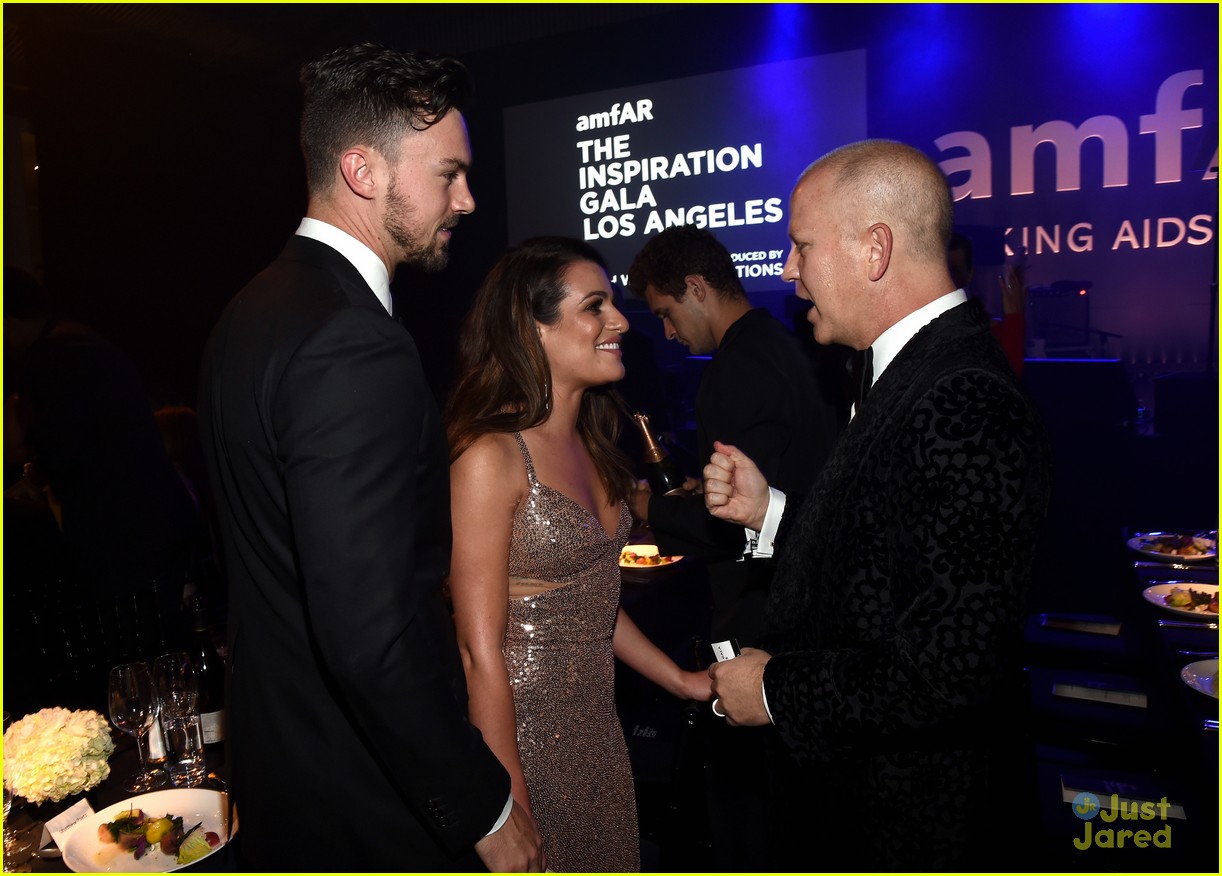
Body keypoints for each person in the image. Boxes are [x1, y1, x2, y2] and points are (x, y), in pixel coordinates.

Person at [198, 44, 542, 872]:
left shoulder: (251, 312)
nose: (467, 198)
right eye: (448, 174)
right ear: (362, 169)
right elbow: (370, 636)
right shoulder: (353, 342)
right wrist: (483, 805)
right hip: (365, 807)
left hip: (286, 779)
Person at [703, 140, 1052, 870]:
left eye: (800, 247)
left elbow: (947, 669)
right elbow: (888, 559)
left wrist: (773, 689)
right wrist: (771, 513)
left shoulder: (964, 399)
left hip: (910, 828)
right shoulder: (909, 372)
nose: (787, 272)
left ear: (875, 251)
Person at [445, 236, 712, 872]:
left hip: (599, 734)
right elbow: (477, 651)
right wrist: (505, 808)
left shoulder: (594, 448)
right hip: (521, 737)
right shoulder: (491, 457)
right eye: (595, 306)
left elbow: (591, 602)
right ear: (529, 329)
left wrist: (678, 680)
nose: (619, 321)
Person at [625, 226, 839, 868]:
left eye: (665, 313)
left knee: (749, 812)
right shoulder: (787, 345)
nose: (664, 333)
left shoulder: (734, 369)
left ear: (696, 288)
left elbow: (737, 522)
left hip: (763, 617)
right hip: (808, 602)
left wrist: (647, 508)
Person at [948, 230, 1027, 376]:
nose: (949, 280)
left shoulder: (990, 333)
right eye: (944, 273)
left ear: (969, 274)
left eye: (956, 271)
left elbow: (1009, 380)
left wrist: (1015, 319)